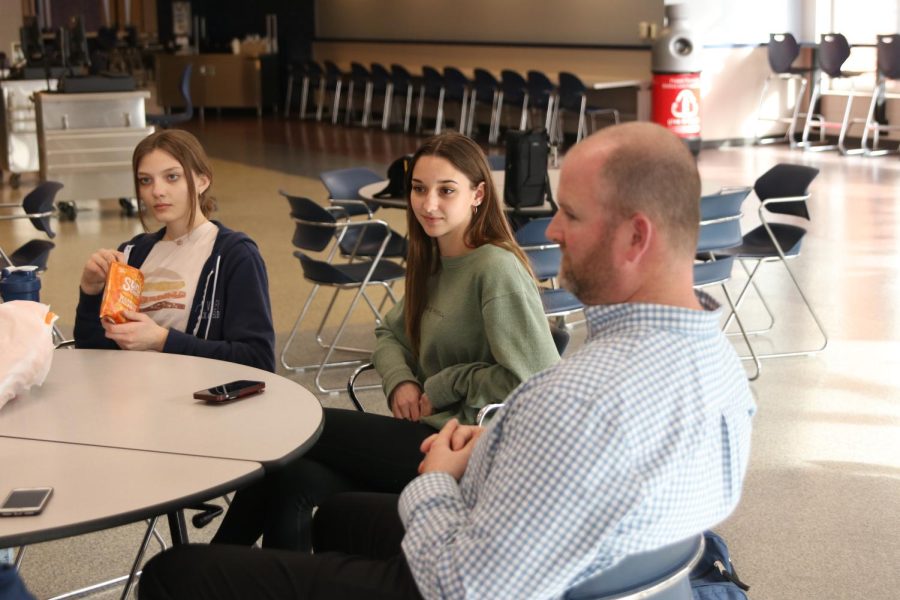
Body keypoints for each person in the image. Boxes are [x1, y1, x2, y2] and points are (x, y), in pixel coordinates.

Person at [139, 122, 755, 600]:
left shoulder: (573, 396)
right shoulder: (717, 368)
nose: (555, 232)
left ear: (636, 236)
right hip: (536, 545)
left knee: (175, 571)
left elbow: (461, 586)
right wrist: (469, 444)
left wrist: (439, 474)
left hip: (459, 565)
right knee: (320, 498)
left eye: (570, 214)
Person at [210, 131, 559, 550]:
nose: (429, 204)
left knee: (300, 427)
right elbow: (389, 332)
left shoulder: (495, 270)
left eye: (447, 190)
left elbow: (535, 383)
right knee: (292, 478)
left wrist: (444, 384)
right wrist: (400, 379)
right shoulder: (434, 260)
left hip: (461, 448)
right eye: (419, 189)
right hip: (424, 430)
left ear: (478, 194)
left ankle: (199, 576)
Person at [73, 129, 275, 372]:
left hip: (199, 402)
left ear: (203, 180)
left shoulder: (235, 255)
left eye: (172, 177)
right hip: (134, 397)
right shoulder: (132, 254)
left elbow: (258, 360)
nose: (157, 191)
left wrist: (161, 340)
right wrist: (91, 292)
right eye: (145, 180)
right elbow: (91, 351)